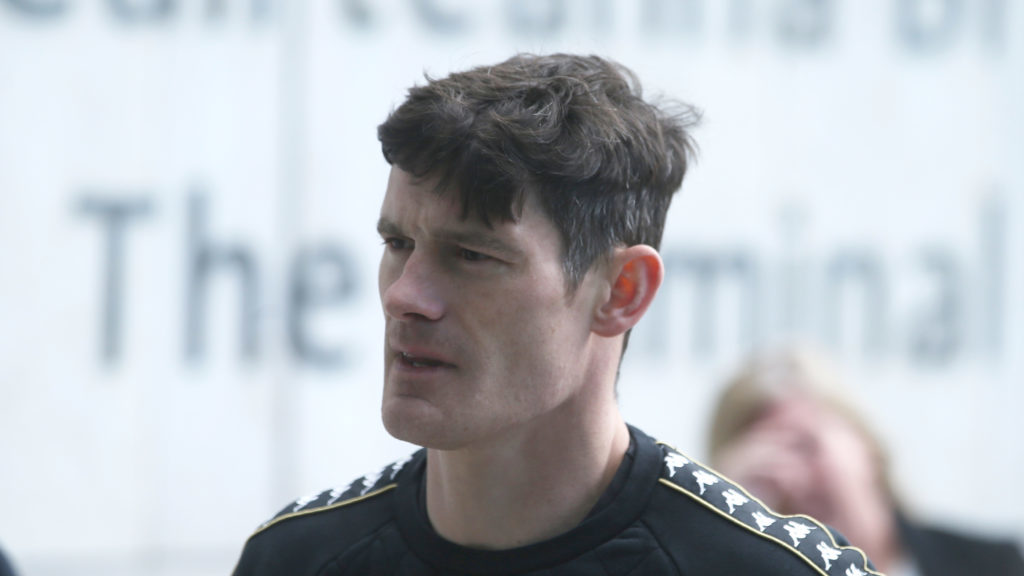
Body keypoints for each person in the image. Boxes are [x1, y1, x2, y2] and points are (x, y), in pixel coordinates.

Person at [231, 53, 877, 575]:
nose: (405, 295)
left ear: (621, 292)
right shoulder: (293, 560)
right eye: (397, 243)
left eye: (472, 255)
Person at [708, 345, 1024, 576]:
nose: (790, 479)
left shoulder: (993, 566)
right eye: (762, 471)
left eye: (803, 446)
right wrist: (721, 525)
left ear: (867, 446)